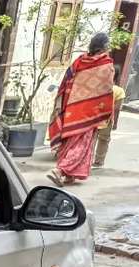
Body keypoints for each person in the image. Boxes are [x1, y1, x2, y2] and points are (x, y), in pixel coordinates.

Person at [47, 33, 116, 186]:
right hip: (89, 111)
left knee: (70, 141)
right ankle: (60, 170)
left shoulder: (79, 61)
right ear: (104, 47)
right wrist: (106, 112)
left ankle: (69, 176)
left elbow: (66, 81)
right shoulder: (105, 64)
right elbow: (106, 89)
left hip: (71, 109)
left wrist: (62, 105)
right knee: (82, 144)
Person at [94, 65, 127, 168]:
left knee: (91, 140)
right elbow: (116, 109)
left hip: (94, 118)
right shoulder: (119, 91)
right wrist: (115, 123)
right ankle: (99, 161)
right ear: (117, 76)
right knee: (104, 140)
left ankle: (86, 160)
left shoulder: (98, 87)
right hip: (107, 120)